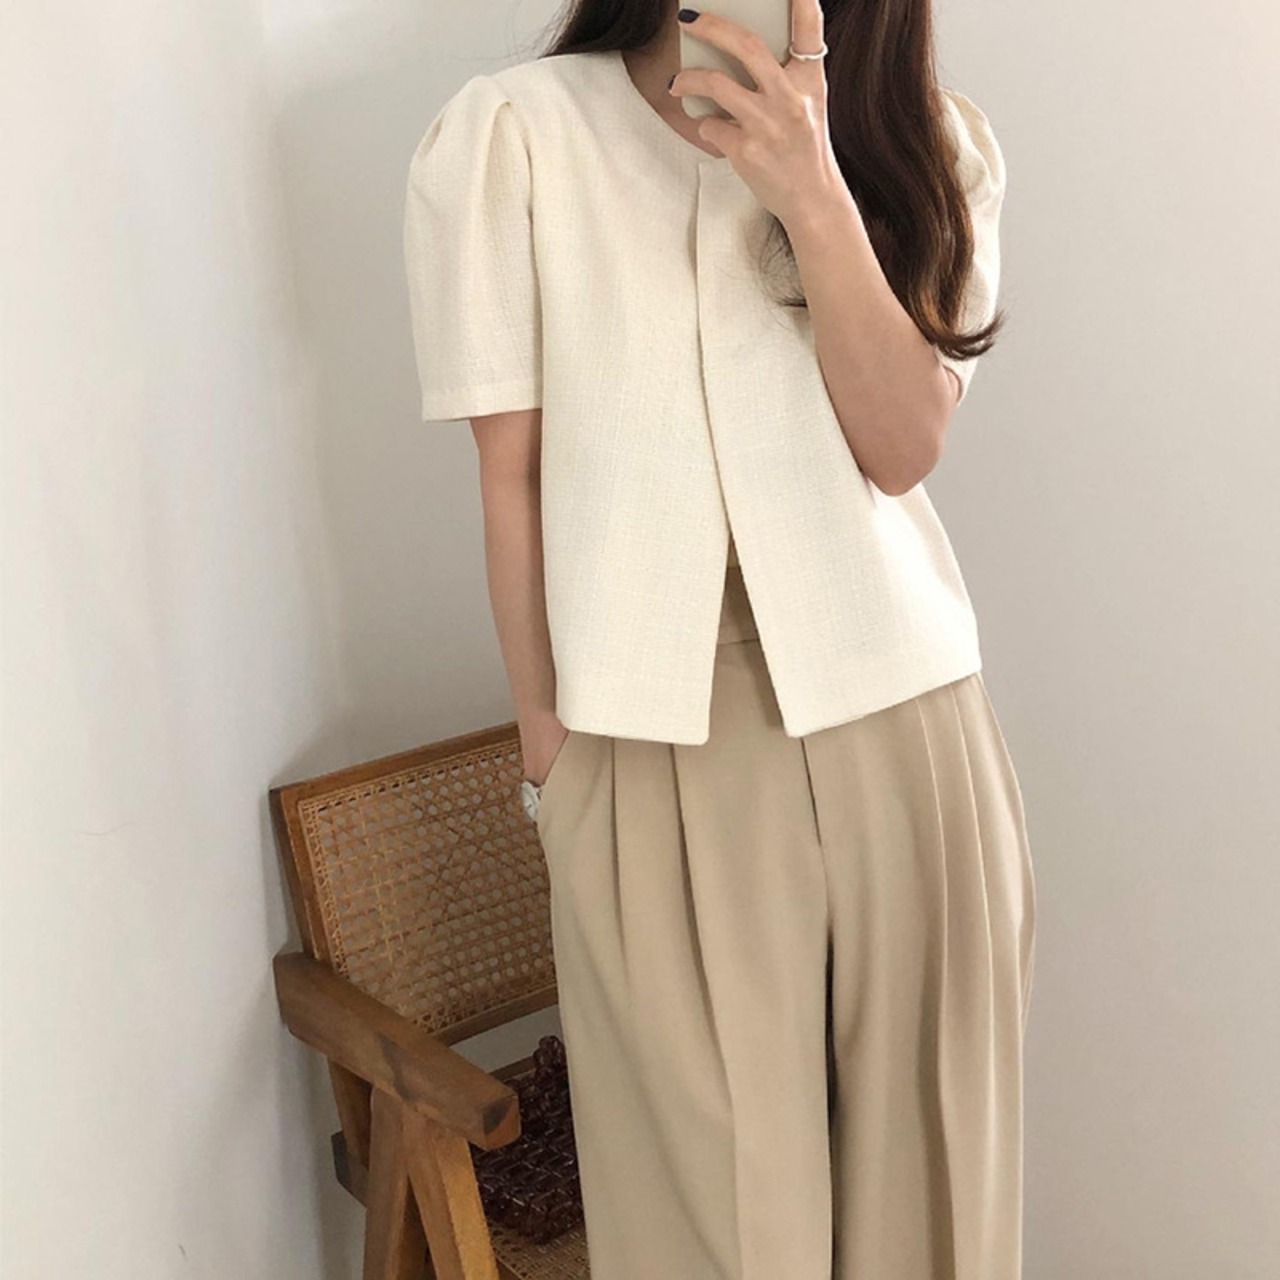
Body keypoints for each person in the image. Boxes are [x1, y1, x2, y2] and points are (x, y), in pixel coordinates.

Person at [403, 1, 1037, 1276]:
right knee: (712, 1232)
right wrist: (550, 761)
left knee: (933, 1206)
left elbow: (899, 446)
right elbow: (510, 477)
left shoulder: (922, 140)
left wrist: (811, 188)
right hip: (650, 744)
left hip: (907, 728)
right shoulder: (515, 137)